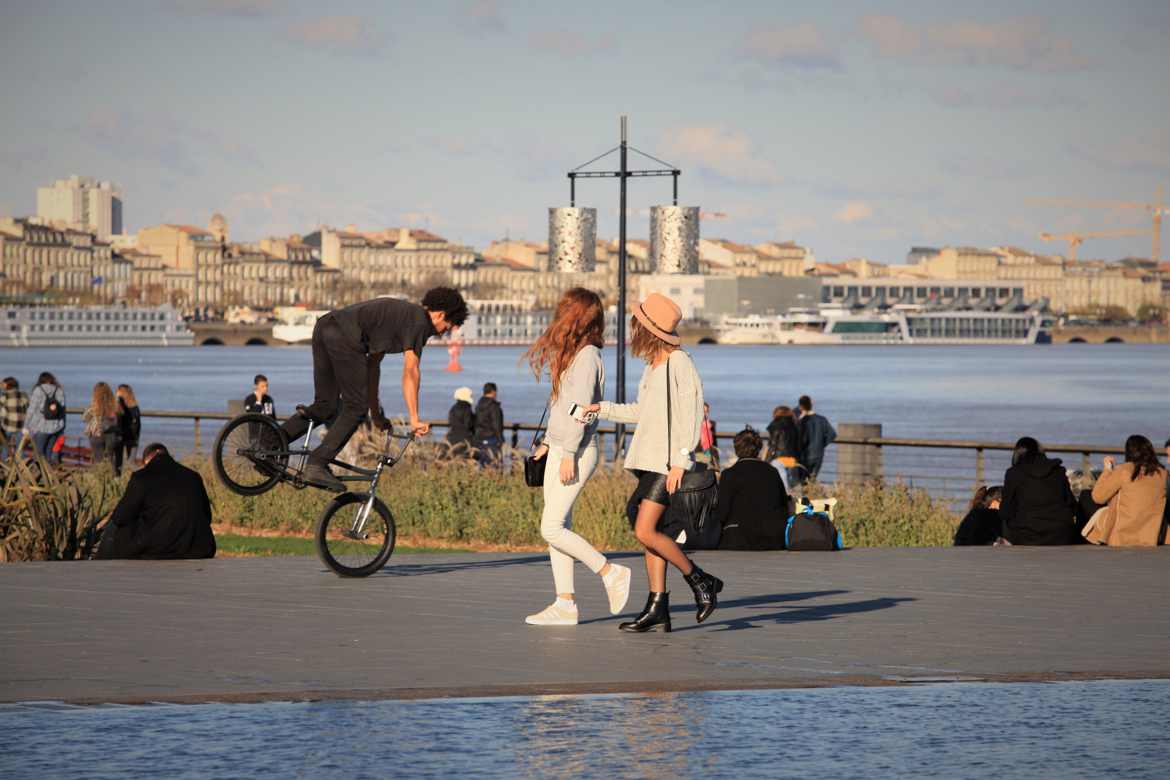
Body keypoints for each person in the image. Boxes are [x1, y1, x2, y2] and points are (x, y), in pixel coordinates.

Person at [589, 292, 722, 633]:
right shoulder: (654, 367)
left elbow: (693, 413)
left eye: (637, 324)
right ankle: (657, 606)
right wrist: (600, 409)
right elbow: (640, 412)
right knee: (653, 535)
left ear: (648, 330)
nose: (633, 329)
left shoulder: (680, 363)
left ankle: (700, 580)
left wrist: (681, 461)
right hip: (650, 461)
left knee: (644, 530)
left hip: (667, 464)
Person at [281, 288, 468, 491]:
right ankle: (317, 463)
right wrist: (414, 419)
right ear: (440, 314)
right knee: (355, 408)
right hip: (345, 336)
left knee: (325, 405)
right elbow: (411, 371)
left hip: (326, 326)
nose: (443, 333)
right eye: (446, 328)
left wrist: (376, 414)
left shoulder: (402, 316)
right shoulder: (419, 322)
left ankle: (270, 442)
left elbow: (372, 367)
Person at [521, 288, 631, 626]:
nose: (560, 315)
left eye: (566, 310)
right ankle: (564, 604)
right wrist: (547, 443)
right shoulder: (574, 354)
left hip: (577, 451)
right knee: (559, 525)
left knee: (551, 527)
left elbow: (582, 413)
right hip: (561, 447)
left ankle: (610, 571)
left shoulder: (587, 357)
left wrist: (567, 451)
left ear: (579, 317)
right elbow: (562, 408)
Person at [93, 443, 216, 559]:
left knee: (114, 526)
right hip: (199, 548)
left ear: (147, 460)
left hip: (160, 549)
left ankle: (99, 563)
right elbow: (207, 515)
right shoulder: (193, 476)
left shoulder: (141, 477)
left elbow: (120, 517)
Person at [1085, 435, 1167, 546]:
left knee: (1085, 496)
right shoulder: (1162, 473)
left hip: (1122, 536)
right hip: (1150, 536)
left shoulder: (1124, 470)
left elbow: (1098, 497)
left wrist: (1107, 470)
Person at [716, 427, 789, 551]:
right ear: (759, 449)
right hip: (773, 539)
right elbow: (783, 505)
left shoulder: (729, 474)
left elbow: (722, 512)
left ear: (736, 449)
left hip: (738, 538)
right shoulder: (772, 472)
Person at [1000, 437, 1076, 545]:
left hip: (1026, 536)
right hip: (1061, 535)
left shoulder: (1013, 473)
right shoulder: (1058, 471)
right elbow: (1071, 504)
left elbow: (1005, 511)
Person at [24, 372, 67, 464]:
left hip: (40, 427)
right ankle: (48, 475)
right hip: (56, 427)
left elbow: (31, 410)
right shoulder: (59, 390)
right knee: (48, 452)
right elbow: (62, 410)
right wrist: (62, 428)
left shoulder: (38, 390)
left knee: (38, 454)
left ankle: (40, 475)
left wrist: (26, 426)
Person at [83, 382, 123, 475]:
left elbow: (85, 418)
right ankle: (112, 481)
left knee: (98, 460)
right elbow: (120, 417)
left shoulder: (93, 406)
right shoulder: (115, 405)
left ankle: (100, 482)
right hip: (112, 434)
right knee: (110, 458)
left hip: (96, 435)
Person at [797, 395, 836, 481]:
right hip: (818, 454)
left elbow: (798, 438)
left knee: (803, 480)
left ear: (800, 406)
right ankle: (811, 493)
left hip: (805, 455)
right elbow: (832, 434)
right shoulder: (822, 419)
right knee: (812, 479)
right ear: (811, 404)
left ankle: (807, 494)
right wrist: (821, 444)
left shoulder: (801, 421)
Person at [766, 404, 801, 489]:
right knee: (793, 487)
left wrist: (767, 461)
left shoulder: (775, 425)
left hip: (778, 459)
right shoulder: (795, 426)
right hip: (792, 460)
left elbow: (772, 446)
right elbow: (799, 446)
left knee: (781, 488)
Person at [473, 382, 505, 466]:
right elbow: (496, 425)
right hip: (492, 440)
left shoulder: (478, 406)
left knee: (481, 465)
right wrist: (501, 440)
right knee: (493, 465)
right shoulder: (494, 407)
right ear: (493, 392)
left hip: (479, 439)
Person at [1, 377, 29, 461]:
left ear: (8, 385)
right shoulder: (24, 395)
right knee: (20, 447)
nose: (1, 385)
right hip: (21, 425)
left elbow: (2, 412)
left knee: (5, 446)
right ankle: (24, 465)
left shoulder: (4, 396)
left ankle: (4, 464)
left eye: (3, 384)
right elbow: (28, 408)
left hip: (8, 425)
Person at [445, 386, 476, 457]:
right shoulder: (467, 408)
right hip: (464, 439)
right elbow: (469, 424)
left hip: (452, 438)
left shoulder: (453, 408)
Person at [116, 384, 141, 466]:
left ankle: (117, 478)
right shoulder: (135, 407)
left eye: (117, 391)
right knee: (130, 462)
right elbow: (137, 425)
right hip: (132, 437)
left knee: (119, 462)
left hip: (123, 436)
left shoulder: (120, 406)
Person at [696, 402, 720, 470]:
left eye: (706, 412)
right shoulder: (694, 425)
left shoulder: (711, 424)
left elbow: (714, 441)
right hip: (697, 454)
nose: (704, 414)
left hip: (709, 452)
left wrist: (716, 455)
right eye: (702, 411)